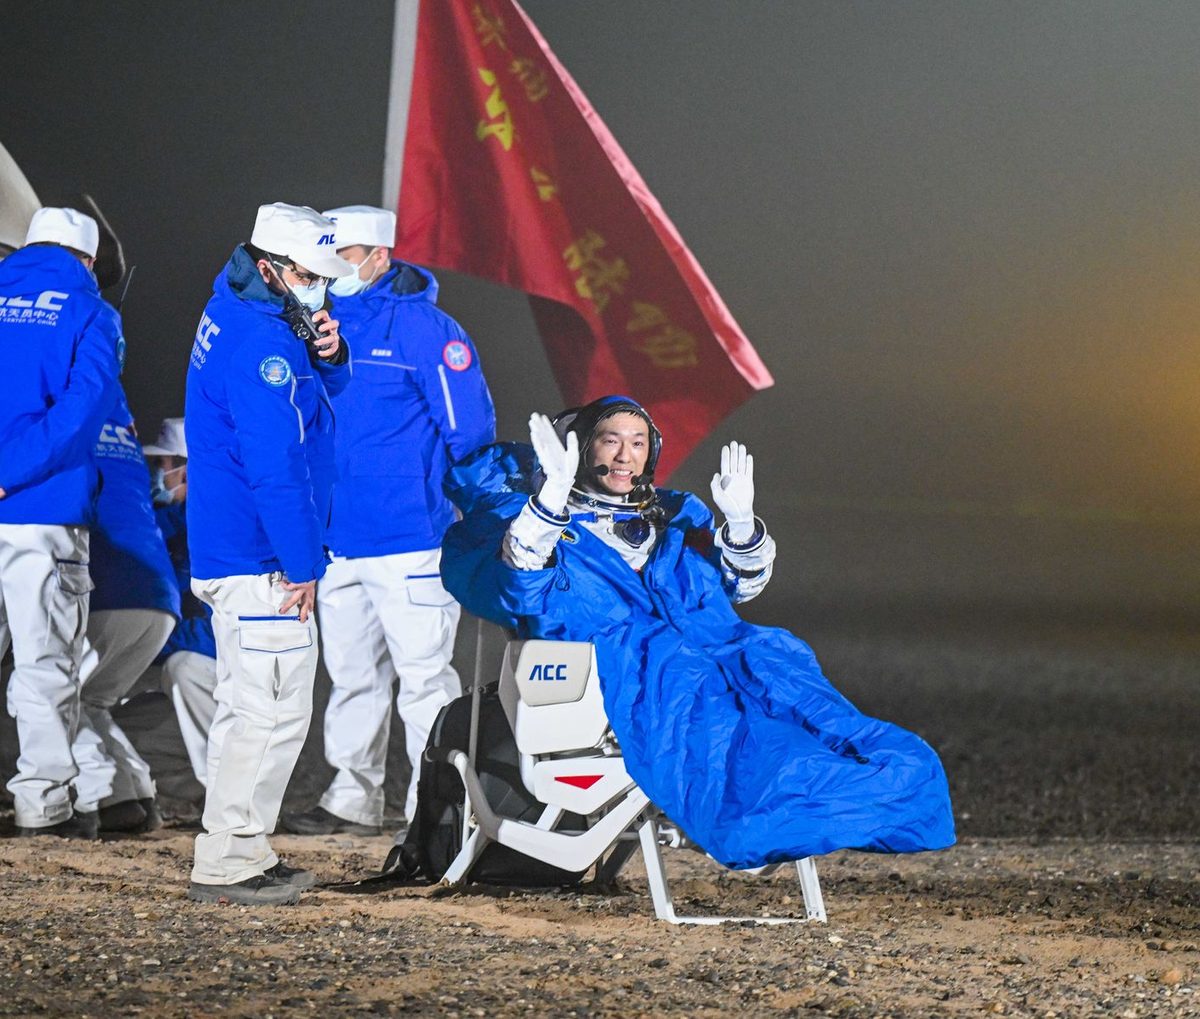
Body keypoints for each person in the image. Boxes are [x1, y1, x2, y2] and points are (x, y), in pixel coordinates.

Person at [440, 396, 956, 869]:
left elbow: (739, 587)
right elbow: (514, 588)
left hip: (730, 650)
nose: (625, 456)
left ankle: (858, 788)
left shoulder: (672, 516)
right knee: (735, 738)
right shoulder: (525, 520)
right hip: (637, 663)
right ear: (580, 447)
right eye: (610, 440)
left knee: (830, 713)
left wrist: (741, 525)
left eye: (638, 443)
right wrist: (548, 504)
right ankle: (781, 810)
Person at [282, 205, 495, 838]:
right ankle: (350, 799)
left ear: (380, 254)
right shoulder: (308, 326)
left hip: (412, 541)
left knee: (425, 678)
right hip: (336, 541)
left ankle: (439, 808)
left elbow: (471, 429)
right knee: (349, 679)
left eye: (341, 255)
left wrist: (482, 513)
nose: (327, 268)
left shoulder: (428, 329)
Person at [184, 202, 353, 905]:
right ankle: (229, 860)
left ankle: (237, 847)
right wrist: (302, 562)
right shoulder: (263, 345)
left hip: (238, 546)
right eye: (311, 276)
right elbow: (276, 463)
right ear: (271, 268)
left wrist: (330, 354)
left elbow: (314, 405)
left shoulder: (242, 312)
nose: (322, 289)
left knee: (245, 707)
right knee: (271, 710)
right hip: (262, 555)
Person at [0, 207, 125, 838]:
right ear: (89, 261)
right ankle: (43, 807)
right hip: (41, 511)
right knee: (45, 660)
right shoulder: (92, 312)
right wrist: (10, 472)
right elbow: (84, 414)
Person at [76, 391, 178, 833]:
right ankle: (134, 795)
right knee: (90, 701)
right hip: (158, 599)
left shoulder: (65, 432)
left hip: (109, 589)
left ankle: (100, 795)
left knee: (48, 699)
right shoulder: (121, 437)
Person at [143, 417, 217, 793]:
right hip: (207, 688)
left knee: (185, 667)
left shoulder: (217, 529)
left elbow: (216, 636)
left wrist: (147, 646)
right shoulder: (171, 528)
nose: (159, 473)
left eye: (167, 464)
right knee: (95, 717)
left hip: (236, 688)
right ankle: (135, 794)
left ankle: (230, 801)